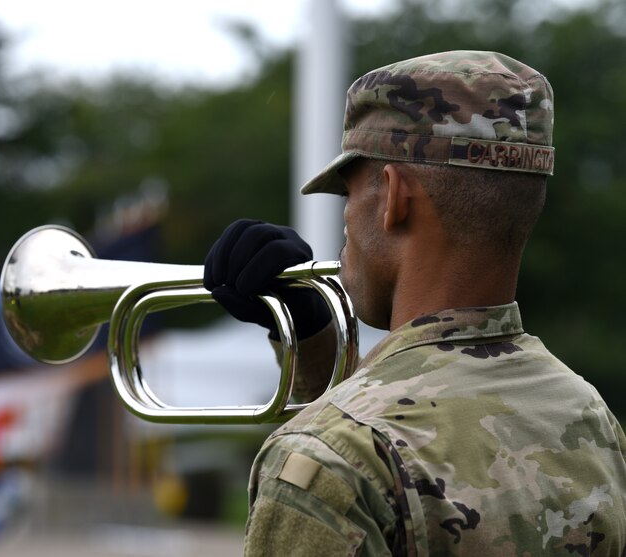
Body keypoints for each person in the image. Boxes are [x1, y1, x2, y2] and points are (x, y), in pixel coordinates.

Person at [203, 51, 626, 555]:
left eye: (348, 193)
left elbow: (369, 436)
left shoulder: (331, 459)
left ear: (392, 196)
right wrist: (312, 343)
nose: (345, 224)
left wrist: (318, 432)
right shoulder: (591, 418)